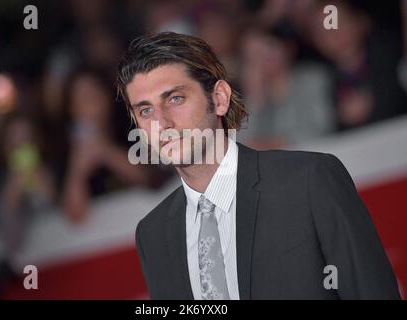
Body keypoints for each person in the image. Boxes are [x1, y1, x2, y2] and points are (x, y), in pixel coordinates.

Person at [117, 32, 400, 300]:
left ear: (219, 98)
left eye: (175, 98)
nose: (161, 123)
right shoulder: (152, 234)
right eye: (145, 111)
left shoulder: (308, 181)